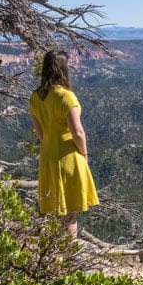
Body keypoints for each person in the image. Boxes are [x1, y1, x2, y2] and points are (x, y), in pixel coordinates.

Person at [28, 50, 99, 237]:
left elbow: (40, 133)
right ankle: (68, 257)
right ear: (63, 69)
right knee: (69, 215)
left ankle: (52, 254)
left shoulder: (35, 97)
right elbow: (78, 132)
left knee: (52, 211)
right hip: (67, 157)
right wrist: (84, 154)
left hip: (47, 158)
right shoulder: (66, 96)